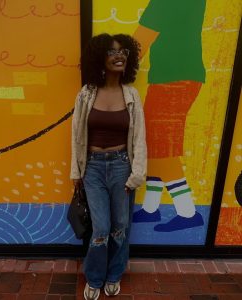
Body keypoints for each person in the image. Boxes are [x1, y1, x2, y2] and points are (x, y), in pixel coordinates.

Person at [70, 33, 147, 300]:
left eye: (124, 52)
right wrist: (76, 172)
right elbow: (77, 135)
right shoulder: (87, 93)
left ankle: (114, 275)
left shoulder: (132, 95)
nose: (119, 56)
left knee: (120, 226)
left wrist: (136, 175)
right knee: (101, 228)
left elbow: (139, 138)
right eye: (113, 52)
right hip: (92, 168)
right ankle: (94, 277)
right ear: (100, 58)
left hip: (121, 167)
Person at [132, 0, 206, 231]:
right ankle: (151, 209)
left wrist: (109, 75)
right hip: (180, 77)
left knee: (163, 148)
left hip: (171, 81)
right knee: (155, 144)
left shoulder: (165, 2)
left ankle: (187, 212)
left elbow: (138, 44)